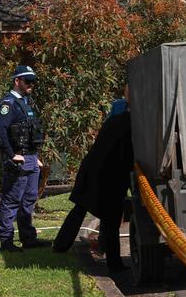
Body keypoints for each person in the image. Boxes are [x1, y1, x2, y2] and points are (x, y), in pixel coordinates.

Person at [52, 108, 133, 272]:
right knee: (111, 218)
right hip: (110, 175)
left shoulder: (115, 119)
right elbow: (128, 156)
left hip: (92, 169)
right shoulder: (132, 125)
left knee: (80, 209)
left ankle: (60, 245)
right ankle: (114, 264)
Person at [0, 65, 49, 252]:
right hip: (19, 160)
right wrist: (11, 155)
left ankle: (29, 239)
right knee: (12, 200)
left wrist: (36, 157)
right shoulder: (8, 104)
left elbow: (30, 133)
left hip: (31, 159)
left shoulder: (25, 102)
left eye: (33, 81)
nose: (31, 84)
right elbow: (0, 132)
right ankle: (7, 241)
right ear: (17, 81)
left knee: (29, 200)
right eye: (28, 81)